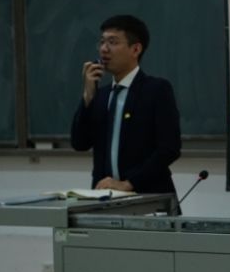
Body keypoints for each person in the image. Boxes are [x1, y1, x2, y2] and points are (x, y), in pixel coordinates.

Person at [71, 15, 181, 195]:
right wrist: (88, 96)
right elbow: (80, 143)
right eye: (102, 42)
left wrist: (129, 183)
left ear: (135, 49)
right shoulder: (101, 95)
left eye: (113, 42)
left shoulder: (156, 90)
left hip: (148, 197)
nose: (104, 49)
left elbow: (169, 149)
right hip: (105, 197)